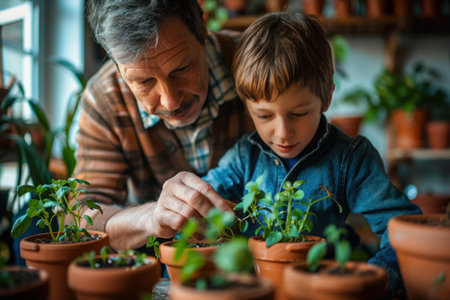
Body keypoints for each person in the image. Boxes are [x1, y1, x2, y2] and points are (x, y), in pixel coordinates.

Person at [200, 12, 421, 298]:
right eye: (264, 115)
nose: (282, 132)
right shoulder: (245, 156)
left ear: (327, 98)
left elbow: (403, 231)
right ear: (246, 106)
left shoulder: (351, 158)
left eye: (299, 113)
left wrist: (374, 279)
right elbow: (202, 202)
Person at [70, 0, 253, 251]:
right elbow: (81, 215)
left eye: (181, 68)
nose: (170, 100)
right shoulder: (105, 99)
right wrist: (150, 217)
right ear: (116, 64)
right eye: (144, 81)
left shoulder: (257, 62)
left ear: (202, 29)